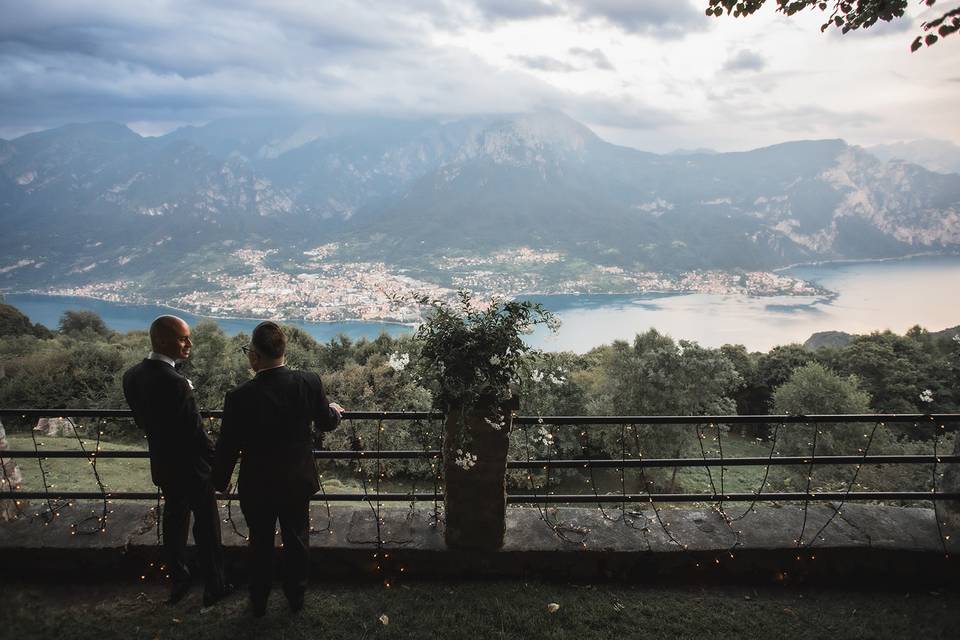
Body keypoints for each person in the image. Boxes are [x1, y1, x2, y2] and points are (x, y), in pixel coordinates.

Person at [212, 321, 343, 617]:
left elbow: (228, 445)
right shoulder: (308, 382)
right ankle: (296, 595)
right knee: (296, 539)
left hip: (257, 484)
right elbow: (325, 421)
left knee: (259, 542)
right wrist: (335, 411)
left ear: (255, 356)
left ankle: (258, 598)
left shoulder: (239, 397)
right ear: (282, 350)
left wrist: (220, 480)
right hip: (297, 480)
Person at [122, 315, 231, 606]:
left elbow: (142, 422)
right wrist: (219, 463)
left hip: (163, 464)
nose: (189, 343)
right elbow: (196, 433)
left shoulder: (131, 376)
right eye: (183, 338)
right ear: (161, 340)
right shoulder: (177, 383)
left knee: (174, 522)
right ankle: (214, 585)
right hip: (193, 467)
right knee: (207, 528)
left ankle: (179, 579)